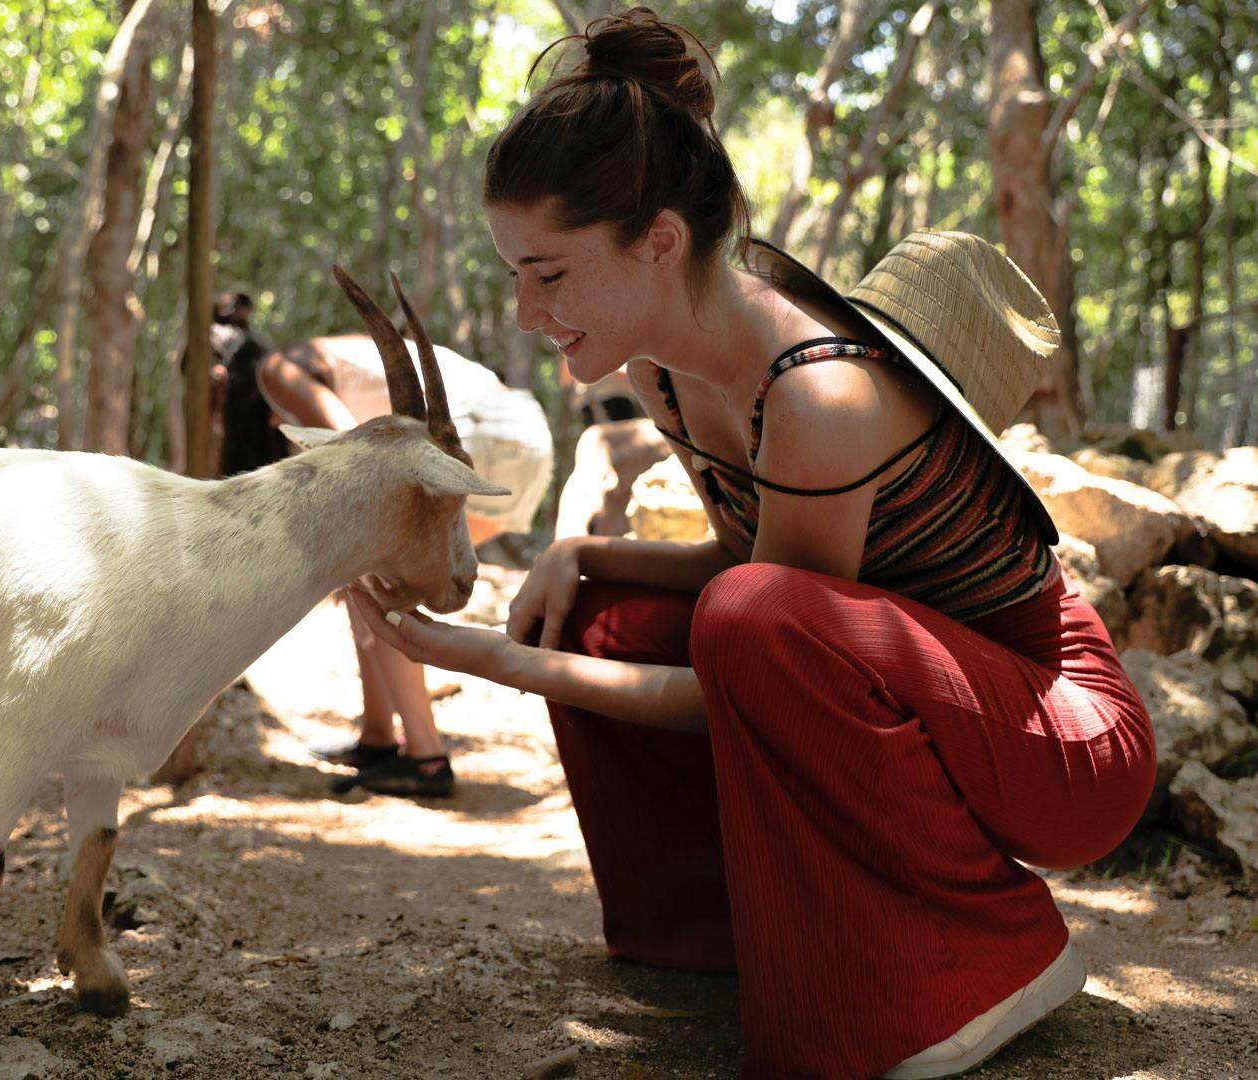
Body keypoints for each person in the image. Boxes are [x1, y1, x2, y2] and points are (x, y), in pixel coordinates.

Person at [344, 9, 1154, 1079]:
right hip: (933, 689)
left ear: (660, 242)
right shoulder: (661, 365)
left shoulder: (819, 397)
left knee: (741, 621)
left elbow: (761, 653)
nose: (530, 311)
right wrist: (583, 555)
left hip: (1066, 739)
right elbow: (755, 579)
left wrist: (497, 663)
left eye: (552, 274)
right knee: (608, 611)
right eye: (516, 276)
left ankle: (983, 961)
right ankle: (718, 933)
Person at [217, 306, 553, 798]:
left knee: (386, 584)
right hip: (521, 438)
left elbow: (356, 457)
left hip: (470, 434)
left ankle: (426, 757)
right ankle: (378, 738)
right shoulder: (324, 355)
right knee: (368, 587)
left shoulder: (281, 370)